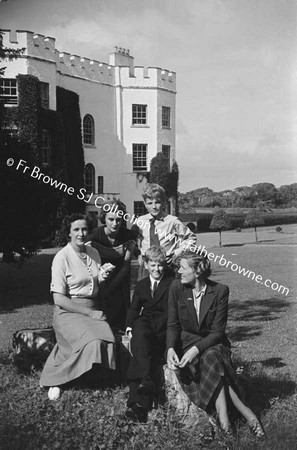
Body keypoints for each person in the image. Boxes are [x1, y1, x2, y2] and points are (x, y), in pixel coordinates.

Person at [166, 250, 265, 438]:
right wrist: (170, 348)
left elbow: (217, 332)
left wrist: (197, 350)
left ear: (197, 271)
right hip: (187, 345)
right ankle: (248, 415)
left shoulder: (220, 291)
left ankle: (224, 421)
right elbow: (172, 325)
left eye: (183, 267)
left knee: (212, 356)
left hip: (213, 344)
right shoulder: (176, 288)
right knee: (217, 367)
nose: (178, 271)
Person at [40, 213, 116, 400]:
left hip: (93, 308)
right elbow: (59, 299)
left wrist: (101, 279)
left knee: (107, 340)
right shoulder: (61, 257)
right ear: (69, 233)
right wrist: (90, 313)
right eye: (76, 229)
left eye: (84, 229)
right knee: (93, 341)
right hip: (69, 311)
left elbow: (94, 286)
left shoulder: (93, 253)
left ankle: (90, 377)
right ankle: (55, 378)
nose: (81, 233)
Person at [125, 246, 174, 422]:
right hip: (145, 328)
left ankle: (137, 404)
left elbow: (172, 313)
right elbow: (134, 308)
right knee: (140, 331)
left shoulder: (171, 283)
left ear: (164, 265)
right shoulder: (141, 285)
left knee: (140, 352)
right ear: (146, 264)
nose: (156, 269)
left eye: (160, 265)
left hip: (162, 329)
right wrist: (129, 327)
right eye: (152, 265)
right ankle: (138, 403)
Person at [85, 201, 136, 331]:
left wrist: (111, 288)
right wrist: (102, 286)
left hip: (120, 280)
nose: (115, 223)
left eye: (118, 219)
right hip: (99, 278)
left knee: (120, 318)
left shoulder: (128, 236)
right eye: (111, 219)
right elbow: (88, 264)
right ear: (104, 218)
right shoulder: (94, 236)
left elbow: (126, 266)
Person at [134, 183, 196, 280]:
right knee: (144, 292)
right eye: (150, 203)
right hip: (146, 267)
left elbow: (190, 238)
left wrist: (176, 253)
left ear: (163, 202)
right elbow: (131, 239)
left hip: (166, 266)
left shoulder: (172, 221)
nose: (154, 207)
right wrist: (137, 254)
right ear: (145, 204)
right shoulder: (140, 221)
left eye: (157, 202)